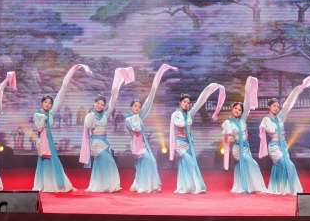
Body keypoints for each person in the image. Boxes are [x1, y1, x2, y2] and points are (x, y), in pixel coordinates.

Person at [260, 70, 310, 195]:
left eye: (277, 106)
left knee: (283, 166)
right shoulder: (266, 119)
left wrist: (299, 88)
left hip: (283, 146)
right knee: (286, 165)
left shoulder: (280, 117)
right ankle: (281, 188)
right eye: (274, 106)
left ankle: (279, 188)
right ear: (269, 107)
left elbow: (288, 103)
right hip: (274, 147)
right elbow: (269, 130)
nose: (276, 108)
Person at [33, 64, 91, 192]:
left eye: (50, 103)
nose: (48, 105)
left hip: (49, 140)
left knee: (54, 161)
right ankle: (45, 185)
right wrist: (43, 118)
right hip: (42, 140)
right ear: (41, 103)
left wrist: (73, 70)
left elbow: (63, 89)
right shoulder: (37, 114)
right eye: (45, 102)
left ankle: (59, 185)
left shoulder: (51, 113)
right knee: (44, 162)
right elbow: (39, 128)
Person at [80, 67, 134, 193]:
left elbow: (113, 102)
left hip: (104, 142)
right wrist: (89, 147)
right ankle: (108, 185)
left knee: (101, 165)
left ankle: (103, 186)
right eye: (98, 103)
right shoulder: (90, 116)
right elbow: (87, 132)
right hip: (96, 143)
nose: (100, 105)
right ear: (94, 103)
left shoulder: (105, 115)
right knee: (109, 163)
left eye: (102, 104)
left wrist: (116, 88)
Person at [125, 64, 177, 193]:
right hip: (136, 145)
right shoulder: (129, 119)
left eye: (139, 106)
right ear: (131, 107)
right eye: (135, 106)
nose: (137, 108)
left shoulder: (138, 117)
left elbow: (149, 100)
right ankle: (143, 185)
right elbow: (136, 130)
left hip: (143, 144)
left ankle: (143, 184)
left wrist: (158, 77)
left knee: (150, 162)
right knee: (147, 161)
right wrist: (137, 119)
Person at [170, 83, 226, 194]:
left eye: (188, 103)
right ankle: (195, 187)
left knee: (184, 165)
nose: (186, 104)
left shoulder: (189, 114)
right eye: (184, 102)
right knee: (191, 163)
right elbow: (180, 124)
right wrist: (187, 119)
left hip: (189, 143)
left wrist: (212, 88)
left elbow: (200, 101)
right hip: (180, 144)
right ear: (180, 103)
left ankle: (186, 187)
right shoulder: (175, 114)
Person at [222, 76, 267, 194]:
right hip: (237, 148)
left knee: (246, 165)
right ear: (232, 109)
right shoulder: (228, 122)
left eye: (239, 110)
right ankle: (255, 187)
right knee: (252, 164)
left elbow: (247, 102)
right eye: (235, 108)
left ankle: (245, 186)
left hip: (246, 148)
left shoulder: (242, 120)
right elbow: (228, 136)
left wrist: (248, 86)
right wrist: (230, 138)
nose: (237, 111)